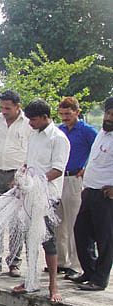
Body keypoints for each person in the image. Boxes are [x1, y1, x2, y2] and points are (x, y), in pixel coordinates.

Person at [12, 99, 70, 304]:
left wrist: (36, 182)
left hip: (47, 197)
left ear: (45, 117)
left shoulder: (58, 138)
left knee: (48, 240)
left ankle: (53, 286)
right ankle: (30, 280)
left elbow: (57, 169)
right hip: (30, 196)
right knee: (31, 238)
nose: (30, 123)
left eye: (33, 120)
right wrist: (21, 177)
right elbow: (29, 163)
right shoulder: (34, 136)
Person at [0, 90, 32, 276]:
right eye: (1, 107)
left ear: (17, 106)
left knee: (16, 220)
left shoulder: (27, 124)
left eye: (8, 108)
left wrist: (20, 176)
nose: (4, 111)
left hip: (17, 174)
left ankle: (14, 262)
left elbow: (30, 152)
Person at [69, 97, 113, 291]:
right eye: (108, 113)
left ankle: (100, 279)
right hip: (89, 191)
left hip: (106, 195)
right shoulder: (102, 133)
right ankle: (90, 271)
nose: (110, 118)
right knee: (81, 231)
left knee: (106, 238)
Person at [56, 96, 98, 278]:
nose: (65, 117)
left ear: (77, 112)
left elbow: (99, 150)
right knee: (58, 222)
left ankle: (76, 264)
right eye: (62, 114)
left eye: (68, 114)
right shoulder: (59, 130)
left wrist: (87, 168)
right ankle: (61, 261)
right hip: (59, 178)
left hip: (75, 178)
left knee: (75, 223)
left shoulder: (87, 130)